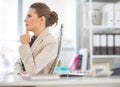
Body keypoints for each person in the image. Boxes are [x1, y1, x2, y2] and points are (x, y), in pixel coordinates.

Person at [14, 2, 59, 75]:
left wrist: (25, 45)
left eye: (29, 16)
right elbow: (18, 64)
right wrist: (20, 72)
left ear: (41, 20)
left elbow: (32, 70)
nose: (25, 20)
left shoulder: (51, 42)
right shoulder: (32, 38)